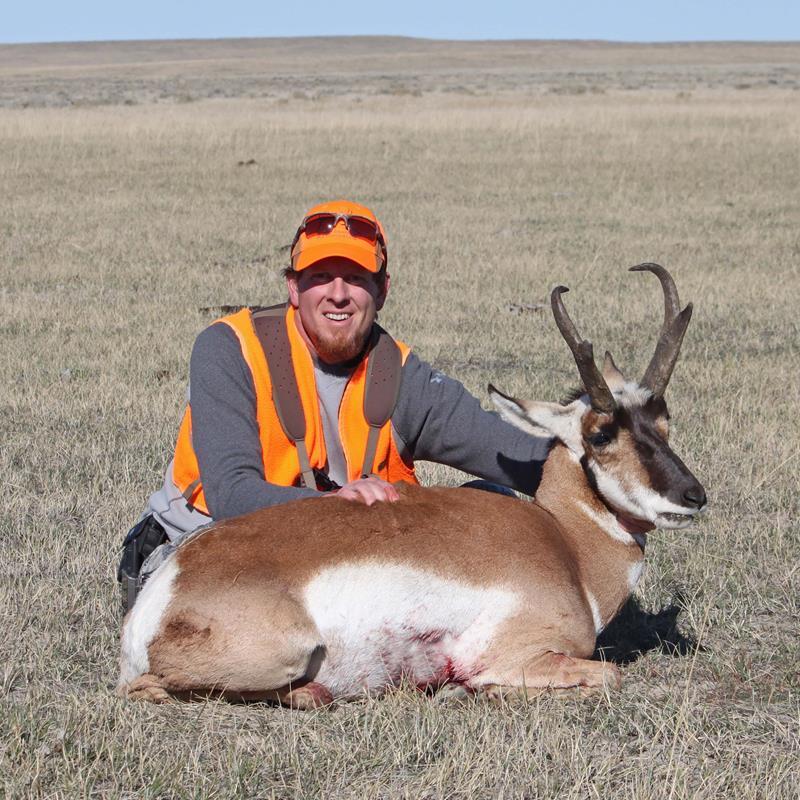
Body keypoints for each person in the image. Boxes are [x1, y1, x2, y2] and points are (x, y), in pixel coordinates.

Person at [118, 199, 552, 609]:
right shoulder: (232, 349)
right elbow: (232, 495)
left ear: (382, 291)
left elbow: (518, 455)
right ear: (294, 287)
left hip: (336, 569)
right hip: (214, 553)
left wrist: (584, 449)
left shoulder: (401, 378)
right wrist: (338, 503)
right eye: (321, 276)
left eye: (357, 278)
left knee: (496, 506)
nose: (338, 294)